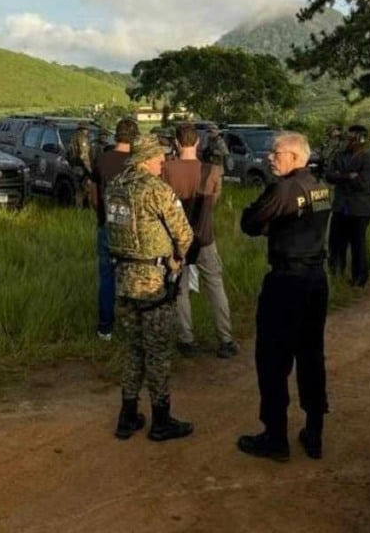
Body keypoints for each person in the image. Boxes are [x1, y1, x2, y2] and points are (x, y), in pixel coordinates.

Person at [237, 131, 332, 462]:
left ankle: (275, 436)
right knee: (311, 355)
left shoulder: (284, 188)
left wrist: (268, 225)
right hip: (316, 279)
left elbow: (249, 221)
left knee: (273, 359)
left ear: (294, 156)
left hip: (287, 280)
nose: (269, 157)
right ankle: (314, 431)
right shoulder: (318, 185)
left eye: (276, 153)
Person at [106, 136, 195, 442]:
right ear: (145, 159)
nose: (162, 164)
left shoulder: (115, 186)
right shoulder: (156, 190)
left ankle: (127, 416)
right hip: (154, 281)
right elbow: (184, 234)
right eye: (159, 158)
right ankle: (161, 419)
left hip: (123, 278)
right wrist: (178, 260)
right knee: (157, 352)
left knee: (132, 349)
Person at [162, 122, 238, 359]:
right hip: (205, 237)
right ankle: (225, 339)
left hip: (175, 240)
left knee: (180, 289)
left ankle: (186, 339)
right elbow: (213, 202)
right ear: (197, 143)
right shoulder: (212, 171)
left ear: (176, 142)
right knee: (215, 286)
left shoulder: (166, 169)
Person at [88, 118, 139, 341]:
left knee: (107, 277)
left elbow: (93, 192)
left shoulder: (102, 160)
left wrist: (100, 213)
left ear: (116, 136)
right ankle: (132, 326)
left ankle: (105, 328)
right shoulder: (136, 163)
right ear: (134, 137)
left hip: (106, 224)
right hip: (132, 228)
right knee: (133, 277)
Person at [325, 125, 370, 288]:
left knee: (358, 244)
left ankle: (359, 279)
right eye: (348, 137)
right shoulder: (340, 156)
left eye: (352, 137)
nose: (348, 140)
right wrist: (348, 176)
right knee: (336, 243)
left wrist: (341, 177)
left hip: (359, 208)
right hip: (341, 206)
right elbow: (329, 175)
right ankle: (336, 275)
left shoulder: (368, 158)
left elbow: (364, 183)